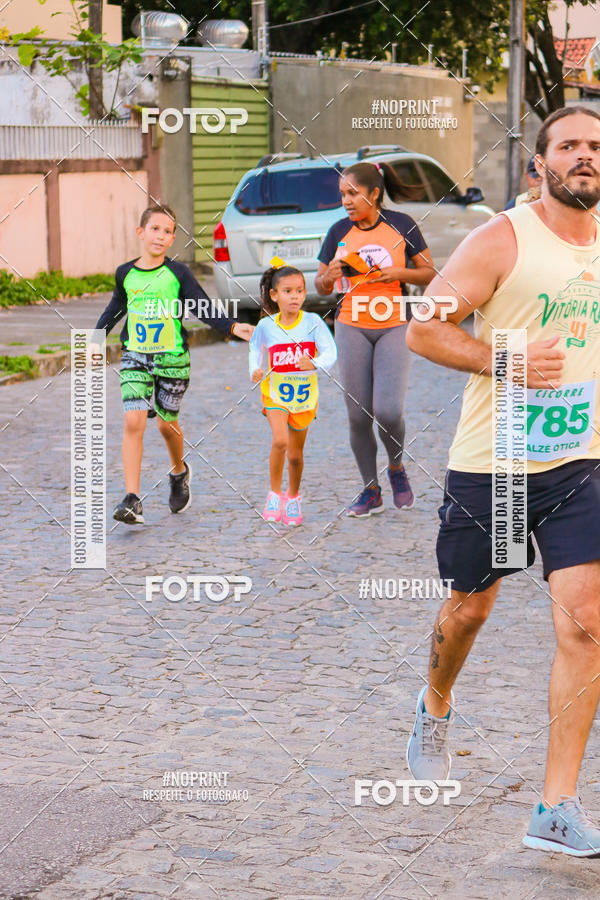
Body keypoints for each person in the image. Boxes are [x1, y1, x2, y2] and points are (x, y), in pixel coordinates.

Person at [405, 106, 600, 856]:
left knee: (585, 620)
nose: (584, 156)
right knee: (469, 612)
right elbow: (424, 326)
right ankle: (435, 699)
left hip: (581, 463)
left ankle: (555, 807)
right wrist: (505, 360)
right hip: (496, 466)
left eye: (594, 147)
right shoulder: (502, 239)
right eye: (569, 147)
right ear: (540, 163)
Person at [96, 203, 253, 525]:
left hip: (173, 358)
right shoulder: (125, 272)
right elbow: (116, 307)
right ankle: (131, 499)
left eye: (168, 232)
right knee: (133, 422)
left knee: (166, 425)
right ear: (140, 232)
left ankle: (179, 472)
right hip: (135, 356)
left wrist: (233, 327)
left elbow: (202, 307)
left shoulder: (178, 273)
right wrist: (95, 337)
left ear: (171, 241)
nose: (161, 235)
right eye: (155, 228)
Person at [315, 161, 434, 517]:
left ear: (374, 194)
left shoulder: (402, 225)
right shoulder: (338, 231)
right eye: (342, 195)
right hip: (350, 324)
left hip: (394, 323)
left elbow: (430, 271)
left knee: (388, 410)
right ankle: (371, 490)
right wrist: (330, 274)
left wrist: (397, 272)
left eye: (353, 194)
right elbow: (320, 285)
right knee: (358, 415)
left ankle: (396, 467)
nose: (347, 202)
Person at [249, 262, 337, 525]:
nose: (295, 296)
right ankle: (274, 494)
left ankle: (293, 497)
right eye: (288, 291)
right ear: (275, 295)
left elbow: (331, 351)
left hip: (303, 397)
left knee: (296, 455)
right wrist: (255, 368)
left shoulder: (313, 323)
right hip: (274, 393)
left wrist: (316, 363)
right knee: (280, 441)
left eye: (299, 290)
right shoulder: (266, 325)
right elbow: (255, 349)